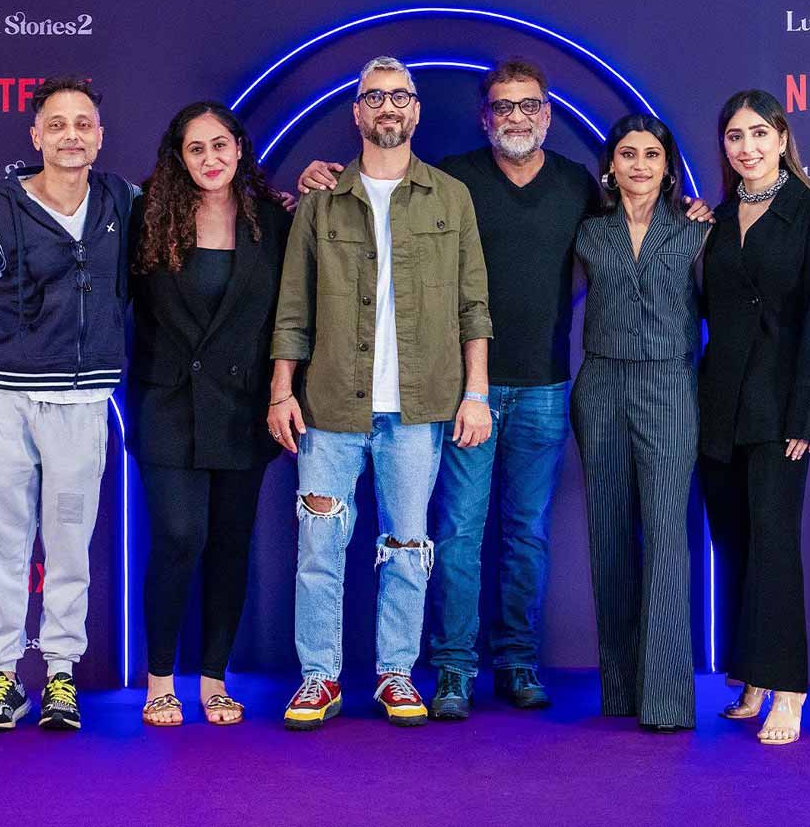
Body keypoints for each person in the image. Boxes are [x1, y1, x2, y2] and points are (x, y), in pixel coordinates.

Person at [297, 60, 711, 719]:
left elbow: (631, 232)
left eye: (528, 106)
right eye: (503, 107)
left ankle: (518, 661)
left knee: (527, 535)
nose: (516, 117)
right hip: (466, 390)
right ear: (485, 117)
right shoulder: (452, 180)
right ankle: (455, 669)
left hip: (547, 384)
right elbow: (373, 197)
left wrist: (687, 211)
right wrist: (314, 179)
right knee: (458, 531)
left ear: (546, 113)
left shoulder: (578, 184)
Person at [268, 56, 492, 730]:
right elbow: (293, 308)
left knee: (406, 547)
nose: (388, 107)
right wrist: (282, 390)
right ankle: (318, 678)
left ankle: (396, 673)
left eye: (400, 97)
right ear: (356, 112)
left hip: (422, 407)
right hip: (331, 404)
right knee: (318, 546)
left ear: (416, 111)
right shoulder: (321, 199)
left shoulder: (450, 196)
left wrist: (476, 391)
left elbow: (473, 303)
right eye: (374, 97)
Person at [0, 76, 137, 732]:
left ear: (99, 136)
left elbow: (196, 207)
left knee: (69, 549)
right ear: (35, 136)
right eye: (56, 124)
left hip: (81, 408)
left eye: (82, 124)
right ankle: (3, 678)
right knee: (1, 548)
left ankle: (60, 676)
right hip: (5, 403)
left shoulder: (120, 199)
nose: (70, 136)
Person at [127, 102, 290, 726]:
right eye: (196, 149)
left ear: (239, 149)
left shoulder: (270, 222)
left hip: (242, 409)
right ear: (179, 157)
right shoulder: (147, 216)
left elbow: (289, 315)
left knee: (228, 546)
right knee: (178, 538)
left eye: (221, 145)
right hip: (167, 403)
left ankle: (214, 682)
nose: (211, 159)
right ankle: (160, 681)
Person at [699, 90, 810, 746]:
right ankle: (750, 675)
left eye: (759, 133)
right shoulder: (717, 220)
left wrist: (805, 411)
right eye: (735, 137)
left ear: (781, 137)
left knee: (776, 547)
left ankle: (789, 688)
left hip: (780, 406)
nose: (747, 147)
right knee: (736, 544)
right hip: (717, 406)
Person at [571, 114, 707, 732]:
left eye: (652, 155)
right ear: (611, 165)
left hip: (669, 385)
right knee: (607, 536)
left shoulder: (695, 232)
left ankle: (668, 700)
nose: (640, 165)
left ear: (668, 166)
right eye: (628, 154)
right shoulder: (589, 232)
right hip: (600, 386)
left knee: (666, 537)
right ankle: (621, 690)